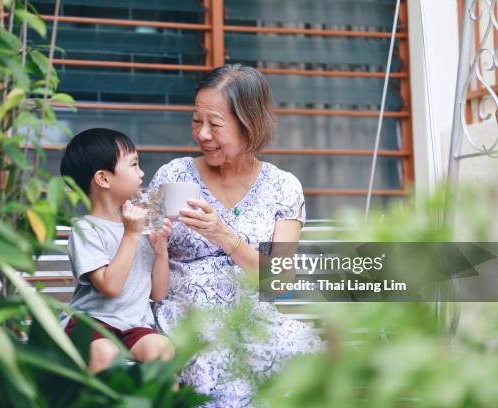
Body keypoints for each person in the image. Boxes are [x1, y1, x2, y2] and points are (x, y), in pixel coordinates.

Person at [148, 64, 323, 406]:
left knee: (305, 352)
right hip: (188, 317)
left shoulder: (282, 187)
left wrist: (225, 236)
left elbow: (278, 281)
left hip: (252, 319)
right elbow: (145, 260)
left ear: (249, 125)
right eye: (197, 121)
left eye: (214, 124)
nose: (202, 134)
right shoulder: (174, 177)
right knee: (214, 357)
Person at [60, 128, 174, 373]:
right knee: (105, 354)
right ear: (104, 178)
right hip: (92, 324)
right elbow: (110, 287)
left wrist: (161, 251)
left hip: (134, 326)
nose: (142, 173)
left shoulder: (141, 223)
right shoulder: (86, 229)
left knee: (164, 351)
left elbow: (159, 292)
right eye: (133, 165)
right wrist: (131, 234)